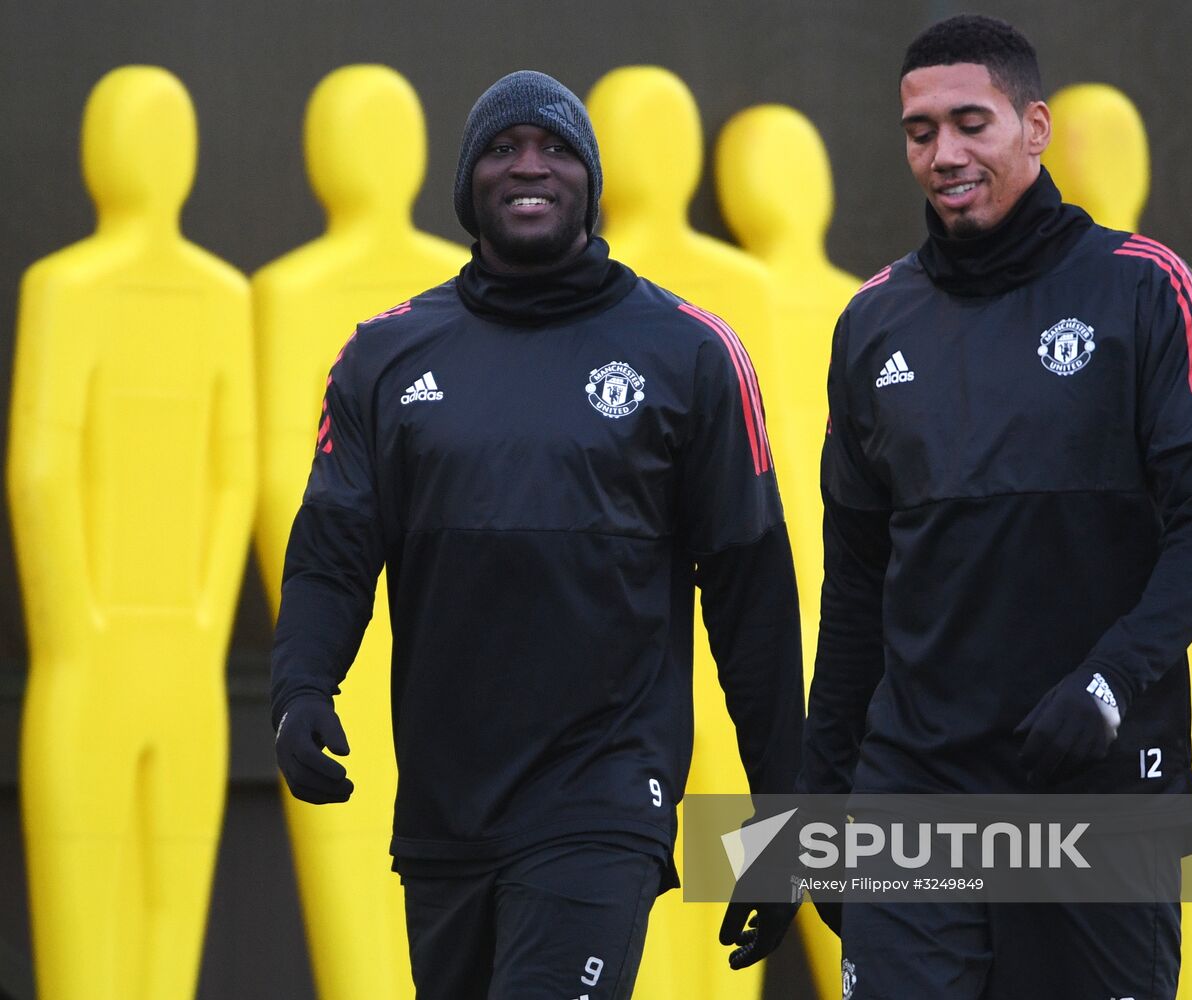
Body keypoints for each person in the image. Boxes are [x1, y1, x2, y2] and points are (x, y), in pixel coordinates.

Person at [269, 70, 805, 998]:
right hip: (445, 806)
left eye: (557, 148)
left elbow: (751, 594)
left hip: (603, 795)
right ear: (466, 184)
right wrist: (300, 687)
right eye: (502, 148)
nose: (530, 167)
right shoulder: (384, 356)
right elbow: (332, 548)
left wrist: (782, 826)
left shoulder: (688, 352)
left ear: (591, 184)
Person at [799, 15, 1192, 999]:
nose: (944, 153)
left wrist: (1107, 684)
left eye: (971, 123)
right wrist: (820, 793)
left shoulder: (1146, 288)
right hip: (915, 786)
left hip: (1097, 783)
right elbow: (857, 581)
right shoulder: (872, 322)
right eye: (920, 131)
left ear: (1034, 127)